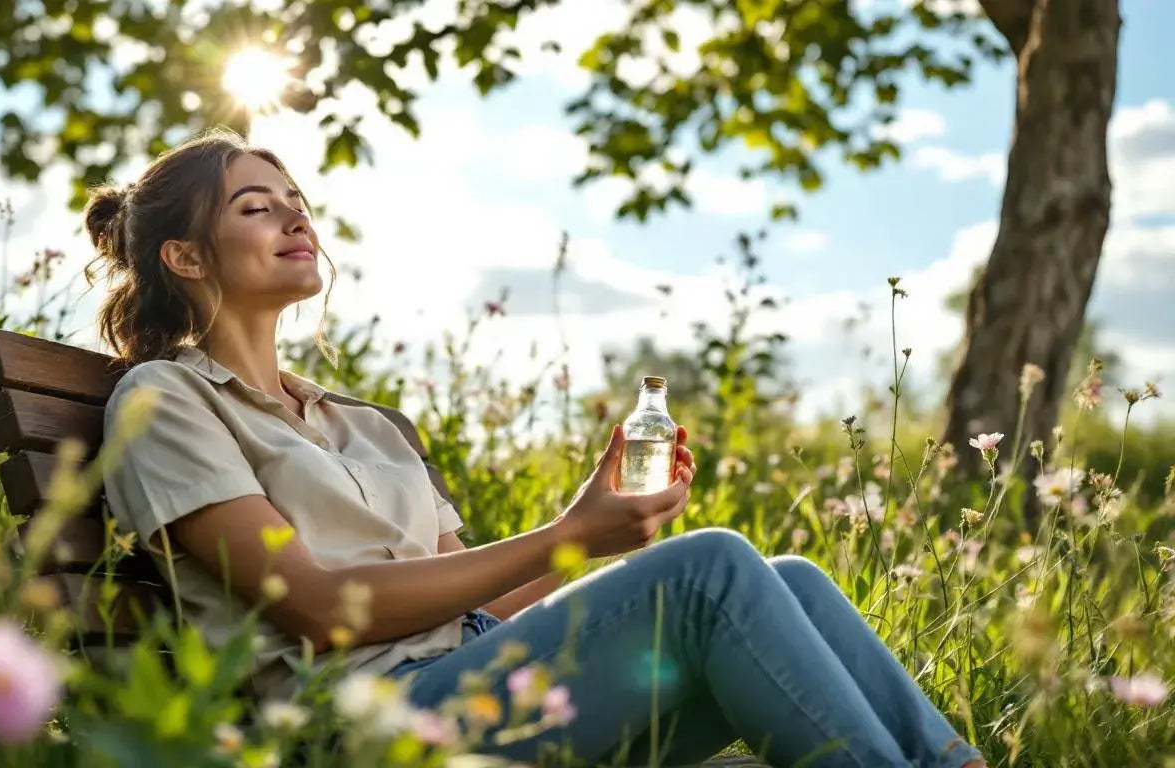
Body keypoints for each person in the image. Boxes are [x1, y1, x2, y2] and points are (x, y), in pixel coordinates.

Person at [93, 128, 986, 768]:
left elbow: (472, 601)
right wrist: (568, 532)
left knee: (783, 576)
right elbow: (321, 609)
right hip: (367, 727)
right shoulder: (166, 400)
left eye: (300, 206)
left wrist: (605, 534)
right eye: (259, 209)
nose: (298, 222)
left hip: (476, 683)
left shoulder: (360, 423)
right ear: (186, 258)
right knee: (712, 570)